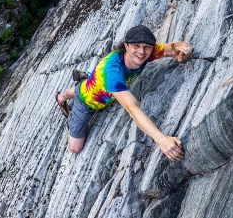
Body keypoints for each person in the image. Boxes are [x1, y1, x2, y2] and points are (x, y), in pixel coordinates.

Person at [56, 25, 192, 161]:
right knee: (75, 147)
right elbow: (132, 108)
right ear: (126, 46)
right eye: (136, 46)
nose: (142, 51)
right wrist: (162, 139)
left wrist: (185, 49)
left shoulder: (147, 53)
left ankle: (71, 90)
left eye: (147, 47)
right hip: (87, 103)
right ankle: (69, 108)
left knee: (87, 87)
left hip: (97, 87)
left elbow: (174, 46)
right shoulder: (112, 72)